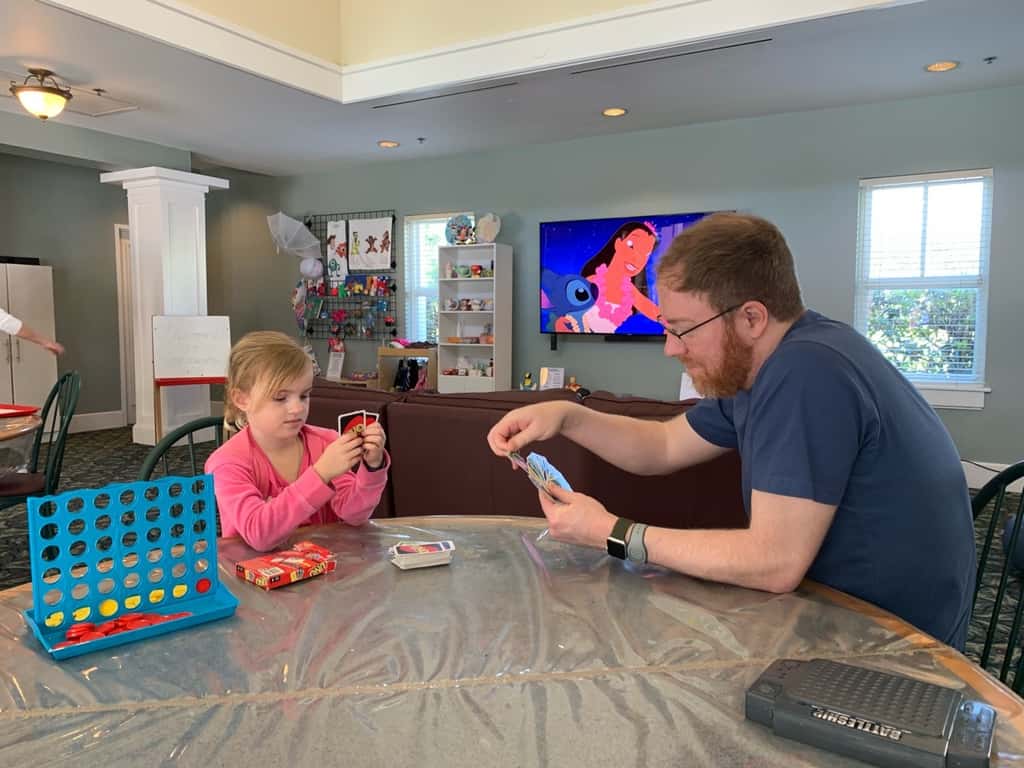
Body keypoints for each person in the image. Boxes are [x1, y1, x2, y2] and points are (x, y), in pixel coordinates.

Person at [488, 212, 975, 650]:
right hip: (847, 612)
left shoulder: (806, 372)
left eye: (681, 329)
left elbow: (772, 562)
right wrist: (567, 415)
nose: (670, 349)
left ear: (751, 318)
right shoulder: (766, 368)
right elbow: (661, 446)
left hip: (894, 649)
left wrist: (611, 534)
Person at [206, 331, 389, 551]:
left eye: (304, 395)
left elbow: (354, 514)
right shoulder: (227, 462)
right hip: (257, 578)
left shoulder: (325, 443)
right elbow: (259, 533)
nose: (298, 408)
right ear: (242, 399)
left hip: (323, 574)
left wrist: (372, 467)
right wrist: (320, 474)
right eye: (280, 398)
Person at [579, 221, 662, 333]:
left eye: (645, 254)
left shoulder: (630, 292)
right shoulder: (591, 282)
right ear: (618, 243)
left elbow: (654, 312)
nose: (637, 259)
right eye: (631, 246)